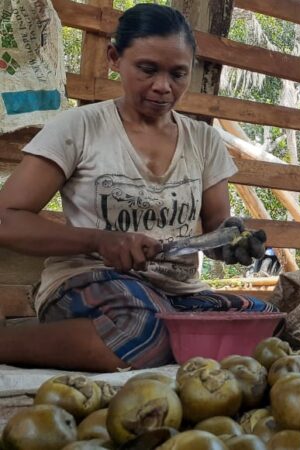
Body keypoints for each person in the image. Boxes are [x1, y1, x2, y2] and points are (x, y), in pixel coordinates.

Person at [0, 4, 276, 372]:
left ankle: (151, 341)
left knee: (262, 319)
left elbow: (217, 231)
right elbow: (6, 218)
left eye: (178, 74)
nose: (163, 87)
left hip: (174, 294)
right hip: (88, 283)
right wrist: (99, 241)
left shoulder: (204, 141)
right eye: (147, 69)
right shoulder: (79, 128)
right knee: (142, 329)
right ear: (115, 58)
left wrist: (231, 245)